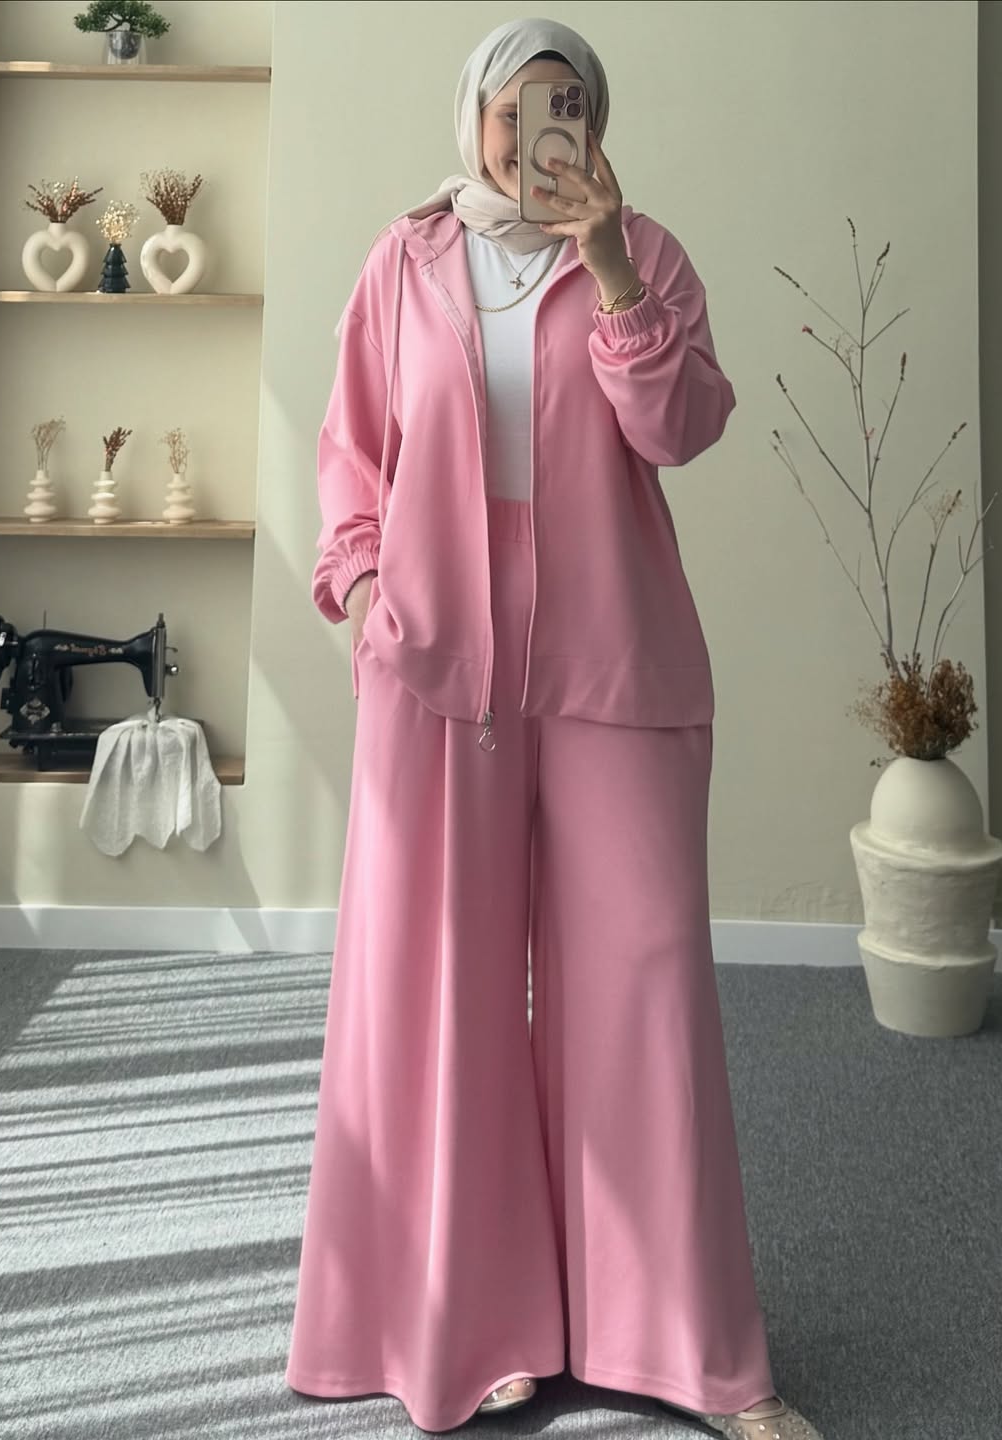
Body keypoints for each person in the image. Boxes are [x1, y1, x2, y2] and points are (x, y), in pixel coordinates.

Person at [287, 16, 824, 1440]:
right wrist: (362, 589)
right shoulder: (401, 262)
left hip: (611, 661)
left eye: (569, 107)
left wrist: (613, 269)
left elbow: (683, 427)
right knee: (443, 997)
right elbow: (350, 452)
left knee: (642, 992)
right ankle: (477, 1323)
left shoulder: (641, 255)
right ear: (472, 118)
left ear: (597, 126)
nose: (542, 135)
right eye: (517, 108)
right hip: (436, 669)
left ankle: (701, 1355)